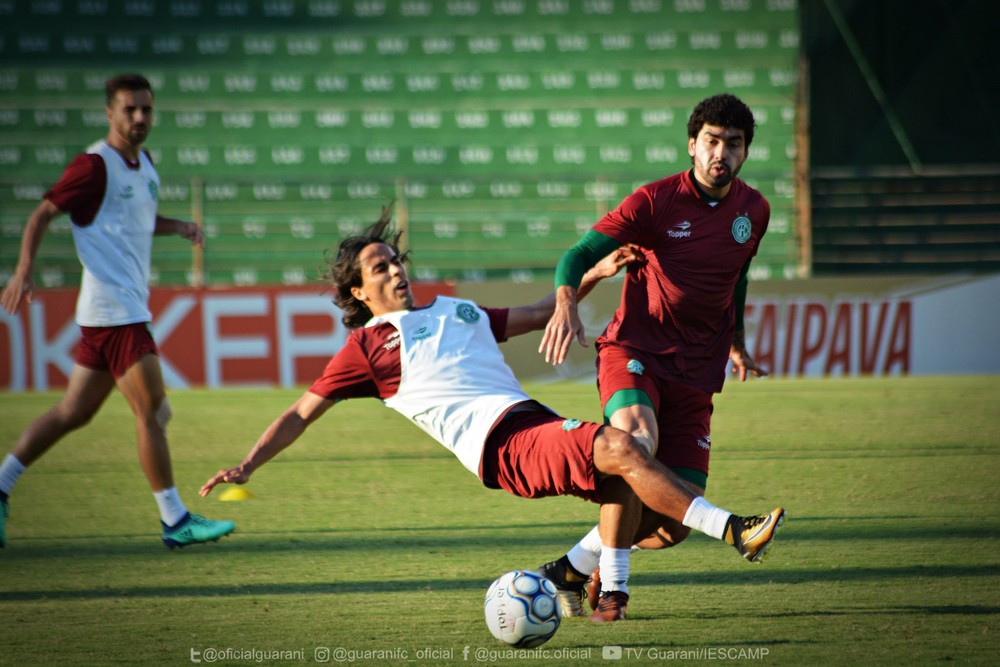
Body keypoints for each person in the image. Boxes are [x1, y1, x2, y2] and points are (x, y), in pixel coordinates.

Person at [199, 208, 784, 623]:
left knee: (659, 518)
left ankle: (571, 575)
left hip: (531, 418)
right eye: (378, 269)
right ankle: (735, 530)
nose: (394, 271)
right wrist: (247, 464)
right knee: (624, 449)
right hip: (500, 444)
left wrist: (593, 277)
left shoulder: (456, 310)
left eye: (394, 260)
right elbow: (302, 413)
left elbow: (532, 314)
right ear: (357, 292)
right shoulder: (368, 349)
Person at [536, 93, 778, 620]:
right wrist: (564, 302)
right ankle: (616, 591)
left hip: (699, 366)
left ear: (745, 151)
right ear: (692, 145)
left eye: (733, 144)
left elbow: (736, 276)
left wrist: (735, 337)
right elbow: (577, 255)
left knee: (671, 523)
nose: (721, 153)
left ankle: (570, 570)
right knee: (637, 445)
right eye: (711, 141)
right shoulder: (654, 202)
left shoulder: (753, 211)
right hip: (637, 350)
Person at [0, 73, 235, 549]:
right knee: (153, 411)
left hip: (110, 311)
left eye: (146, 109)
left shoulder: (145, 165)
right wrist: (24, 269)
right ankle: (175, 520)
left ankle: (0, 485)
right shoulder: (93, 165)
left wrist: (180, 227)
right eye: (129, 109)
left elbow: (136, 223)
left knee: (73, 412)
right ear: (110, 113)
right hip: (116, 310)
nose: (140, 118)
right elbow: (43, 212)